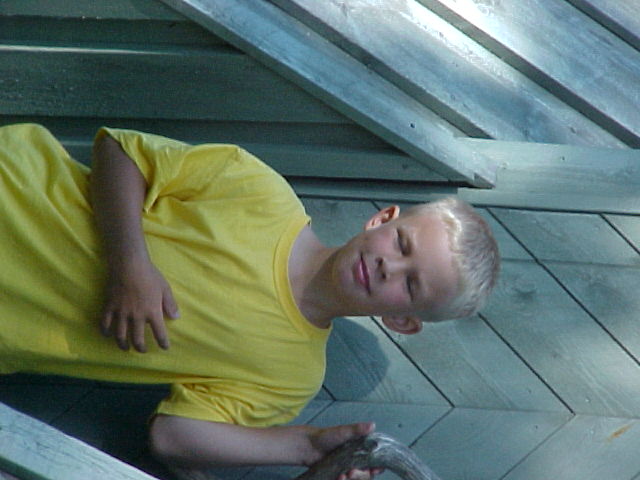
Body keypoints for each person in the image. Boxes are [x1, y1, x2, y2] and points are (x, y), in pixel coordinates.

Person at [0, 123, 499, 479]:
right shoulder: (261, 192)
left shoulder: (291, 377)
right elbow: (120, 152)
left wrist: (304, 446)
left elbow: (171, 437)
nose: (392, 265)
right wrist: (130, 266)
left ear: (402, 320)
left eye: (411, 285)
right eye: (402, 244)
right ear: (382, 219)